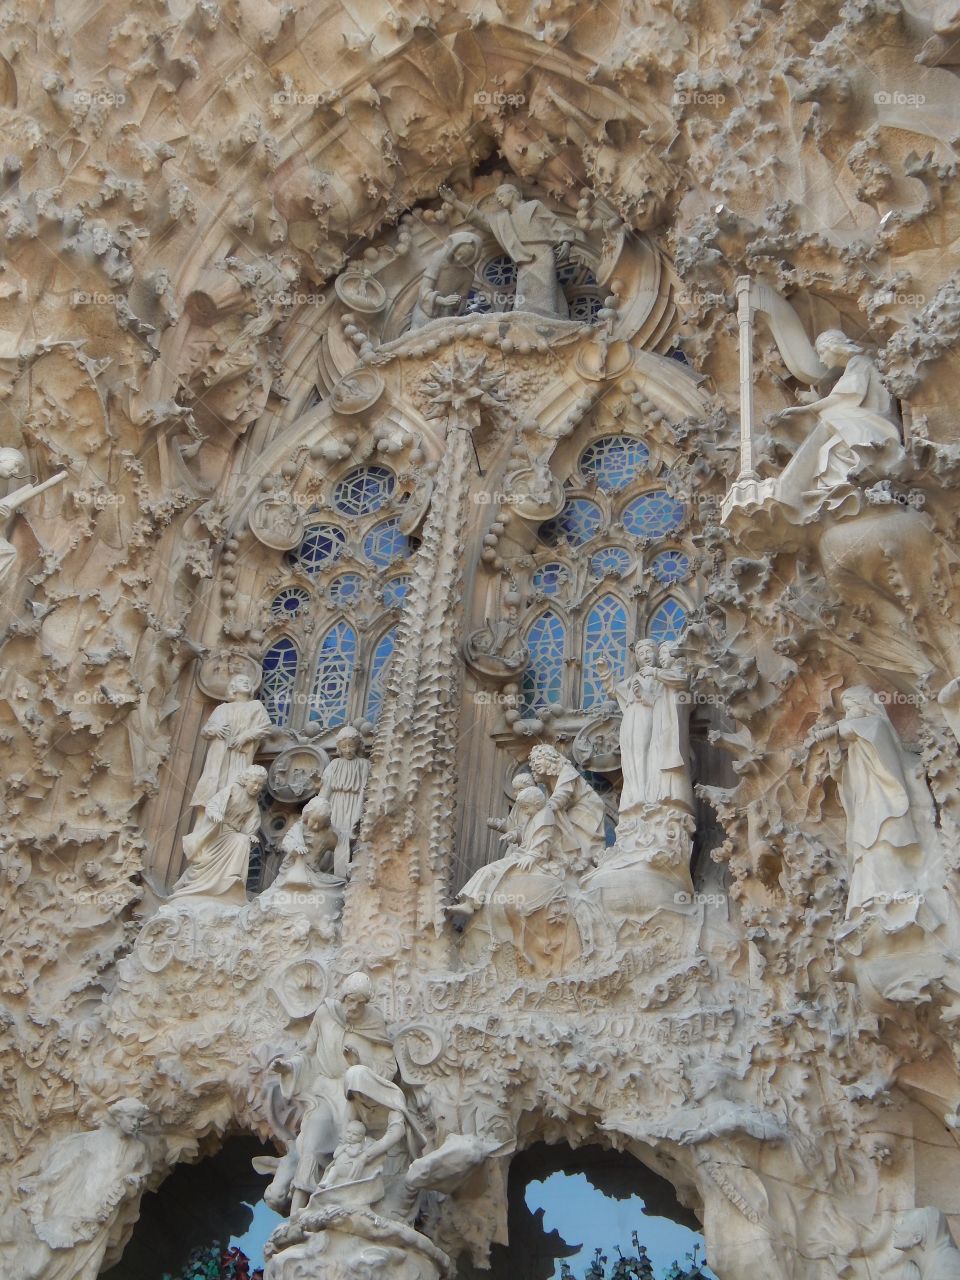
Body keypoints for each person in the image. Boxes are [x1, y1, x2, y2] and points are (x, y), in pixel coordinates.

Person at [273, 972, 397, 1212]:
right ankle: (297, 1213)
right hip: (324, 1091)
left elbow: (389, 1066)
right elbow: (307, 1050)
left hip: (352, 1096)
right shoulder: (325, 1013)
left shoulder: (373, 1022)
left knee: (347, 1147)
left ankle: (341, 1208)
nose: (354, 1007)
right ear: (342, 996)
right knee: (312, 1141)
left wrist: (359, 1065)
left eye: (360, 1003)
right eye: (350, 1000)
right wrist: (288, 1067)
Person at [770, 330, 905, 523]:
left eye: (822, 353)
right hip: (862, 421)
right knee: (826, 449)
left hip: (875, 424)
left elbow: (845, 398)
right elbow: (843, 399)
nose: (821, 360)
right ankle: (836, 491)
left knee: (829, 424)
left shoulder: (859, 362)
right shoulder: (854, 366)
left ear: (834, 348)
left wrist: (806, 409)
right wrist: (816, 403)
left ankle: (805, 489)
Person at [440, 182, 582, 318]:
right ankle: (539, 318)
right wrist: (455, 202)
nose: (499, 200)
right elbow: (481, 219)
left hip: (541, 252)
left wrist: (566, 241)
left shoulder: (534, 206)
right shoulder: (503, 220)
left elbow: (554, 223)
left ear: (513, 194)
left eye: (501, 195)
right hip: (524, 259)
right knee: (526, 289)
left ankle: (547, 318)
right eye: (497, 198)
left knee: (545, 288)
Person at [598, 640, 693, 821]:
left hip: (649, 718)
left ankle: (648, 796)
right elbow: (614, 690)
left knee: (647, 757)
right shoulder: (635, 677)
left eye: (649, 652)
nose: (645, 656)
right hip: (630, 720)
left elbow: (662, 700)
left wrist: (644, 693)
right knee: (631, 758)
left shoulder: (661, 677)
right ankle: (634, 798)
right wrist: (605, 672)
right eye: (641, 654)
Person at [170, 765, 267, 904]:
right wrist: (215, 813)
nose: (256, 787)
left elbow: (253, 821)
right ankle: (192, 884)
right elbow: (213, 804)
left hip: (233, 834)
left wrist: (250, 834)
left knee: (242, 840)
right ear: (246, 780)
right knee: (204, 861)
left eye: (260, 785)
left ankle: (231, 877)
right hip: (218, 831)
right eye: (254, 782)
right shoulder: (233, 789)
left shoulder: (253, 803)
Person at [190, 674, 272, 808]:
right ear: (233, 687)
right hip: (219, 754)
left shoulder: (255, 706)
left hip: (240, 753)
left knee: (236, 785)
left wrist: (246, 736)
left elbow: (266, 727)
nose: (246, 682)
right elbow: (205, 731)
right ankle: (210, 810)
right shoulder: (222, 709)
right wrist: (215, 729)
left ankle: (229, 811)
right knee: (214, 784)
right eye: (241, 681)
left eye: (248, 681)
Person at [318, 727, 370, 877]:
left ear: (358, 745)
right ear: (339, 748)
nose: (347, 750)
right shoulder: (334, 764)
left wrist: (359, 813)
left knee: (350, 838)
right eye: (344, 746)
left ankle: (345, 875)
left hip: (354, 805)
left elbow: (365, 789)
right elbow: (326, 789)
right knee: (332, 836)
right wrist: (319, 808)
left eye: (351, 746)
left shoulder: (364, 764)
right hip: (335, 805)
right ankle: (326, 874)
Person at [409, 232, 482, 328]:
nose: (458, 258)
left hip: (446, 313)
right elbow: (424, 291)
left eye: (464, 257)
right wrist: (443, 300)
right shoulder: (439, 258)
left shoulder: (468, 272)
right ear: (453, 248)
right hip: (426, 311)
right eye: (458, 253)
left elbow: (463, 299)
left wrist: (456, 302)